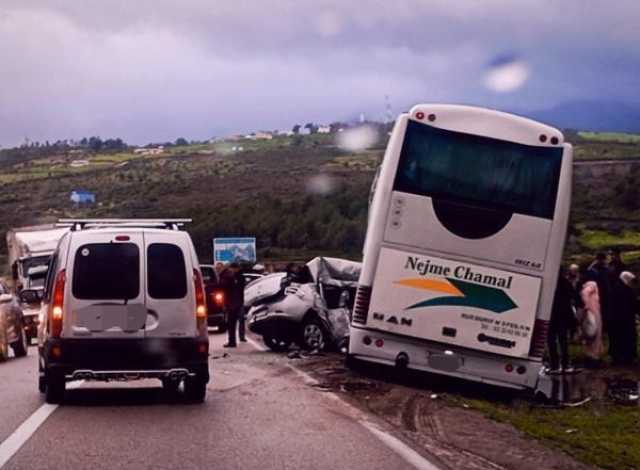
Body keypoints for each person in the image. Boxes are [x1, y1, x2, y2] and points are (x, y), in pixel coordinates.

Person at [546, 267, 578, 374]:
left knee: (551, 341)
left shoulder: (549, 282)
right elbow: (573, 296)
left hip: (551, 315)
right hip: (563, 316)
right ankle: (565, 365)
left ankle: (554, 365)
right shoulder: (566, 283)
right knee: (563, 340)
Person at [609, 271, 638, 365]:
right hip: (626, 318)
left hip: (616, 319)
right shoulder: (627, 290)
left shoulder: (615, 288)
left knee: (618, 338)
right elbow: (633, 304)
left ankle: (618, 357)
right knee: (627, 338)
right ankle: (627, 357)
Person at [578, 270, 605, 368]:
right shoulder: (593, 284)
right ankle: (594, 360)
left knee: (589, 336)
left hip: (589, 314)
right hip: (594, 313)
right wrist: (587, 304)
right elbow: (585, 293)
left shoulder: (585, 284)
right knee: (595, 336)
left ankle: (589, 358)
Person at [220, 262, 246, 348]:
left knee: (234, 322)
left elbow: (224, 286)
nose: (230, 270)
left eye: (231, 269)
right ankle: (232, 341)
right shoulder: (233, 277)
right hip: (235, 302)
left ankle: (235, 340)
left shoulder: (237, 277)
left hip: (234, 302)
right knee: (232, 323)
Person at [588, 252, 611, 335]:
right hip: (600, 294)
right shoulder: (596, 269)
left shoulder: (596, 269)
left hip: (603, 294)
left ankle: (602, 328)